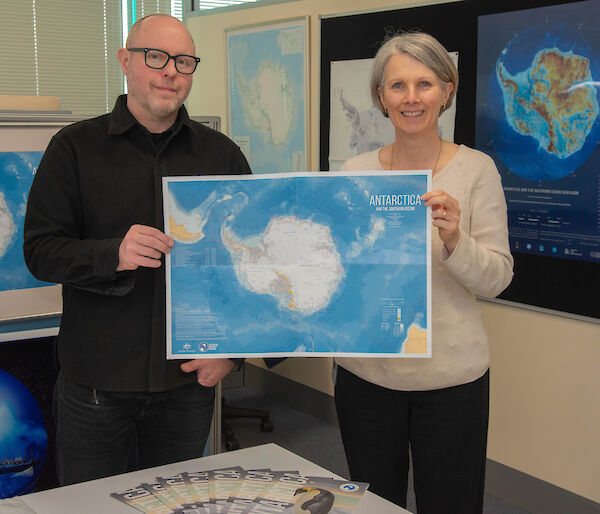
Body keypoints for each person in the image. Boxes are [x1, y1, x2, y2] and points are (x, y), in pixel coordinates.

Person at [23, 14, 250, 486]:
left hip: (187, 385)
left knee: (176, 502)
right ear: (126, 61)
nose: (171, 70)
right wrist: (113, 254)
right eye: (157, 57)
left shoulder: (223, 157)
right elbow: (41, 252)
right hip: (96, 385)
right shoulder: (73, 149)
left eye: (184, 62)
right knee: (90, 505)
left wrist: (234, 354)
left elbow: (248, 268)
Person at [333, 32, 514, 514]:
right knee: (373, 506)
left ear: (447, 90)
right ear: (380, 97)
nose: (411, 98)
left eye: (425, 83)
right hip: (366, 378)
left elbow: (496, 279)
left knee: (452, 504)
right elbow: (336, 271)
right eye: (397, 86)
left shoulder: (477, 171)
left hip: (451, 382)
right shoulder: (352, 172)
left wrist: (456, 239)